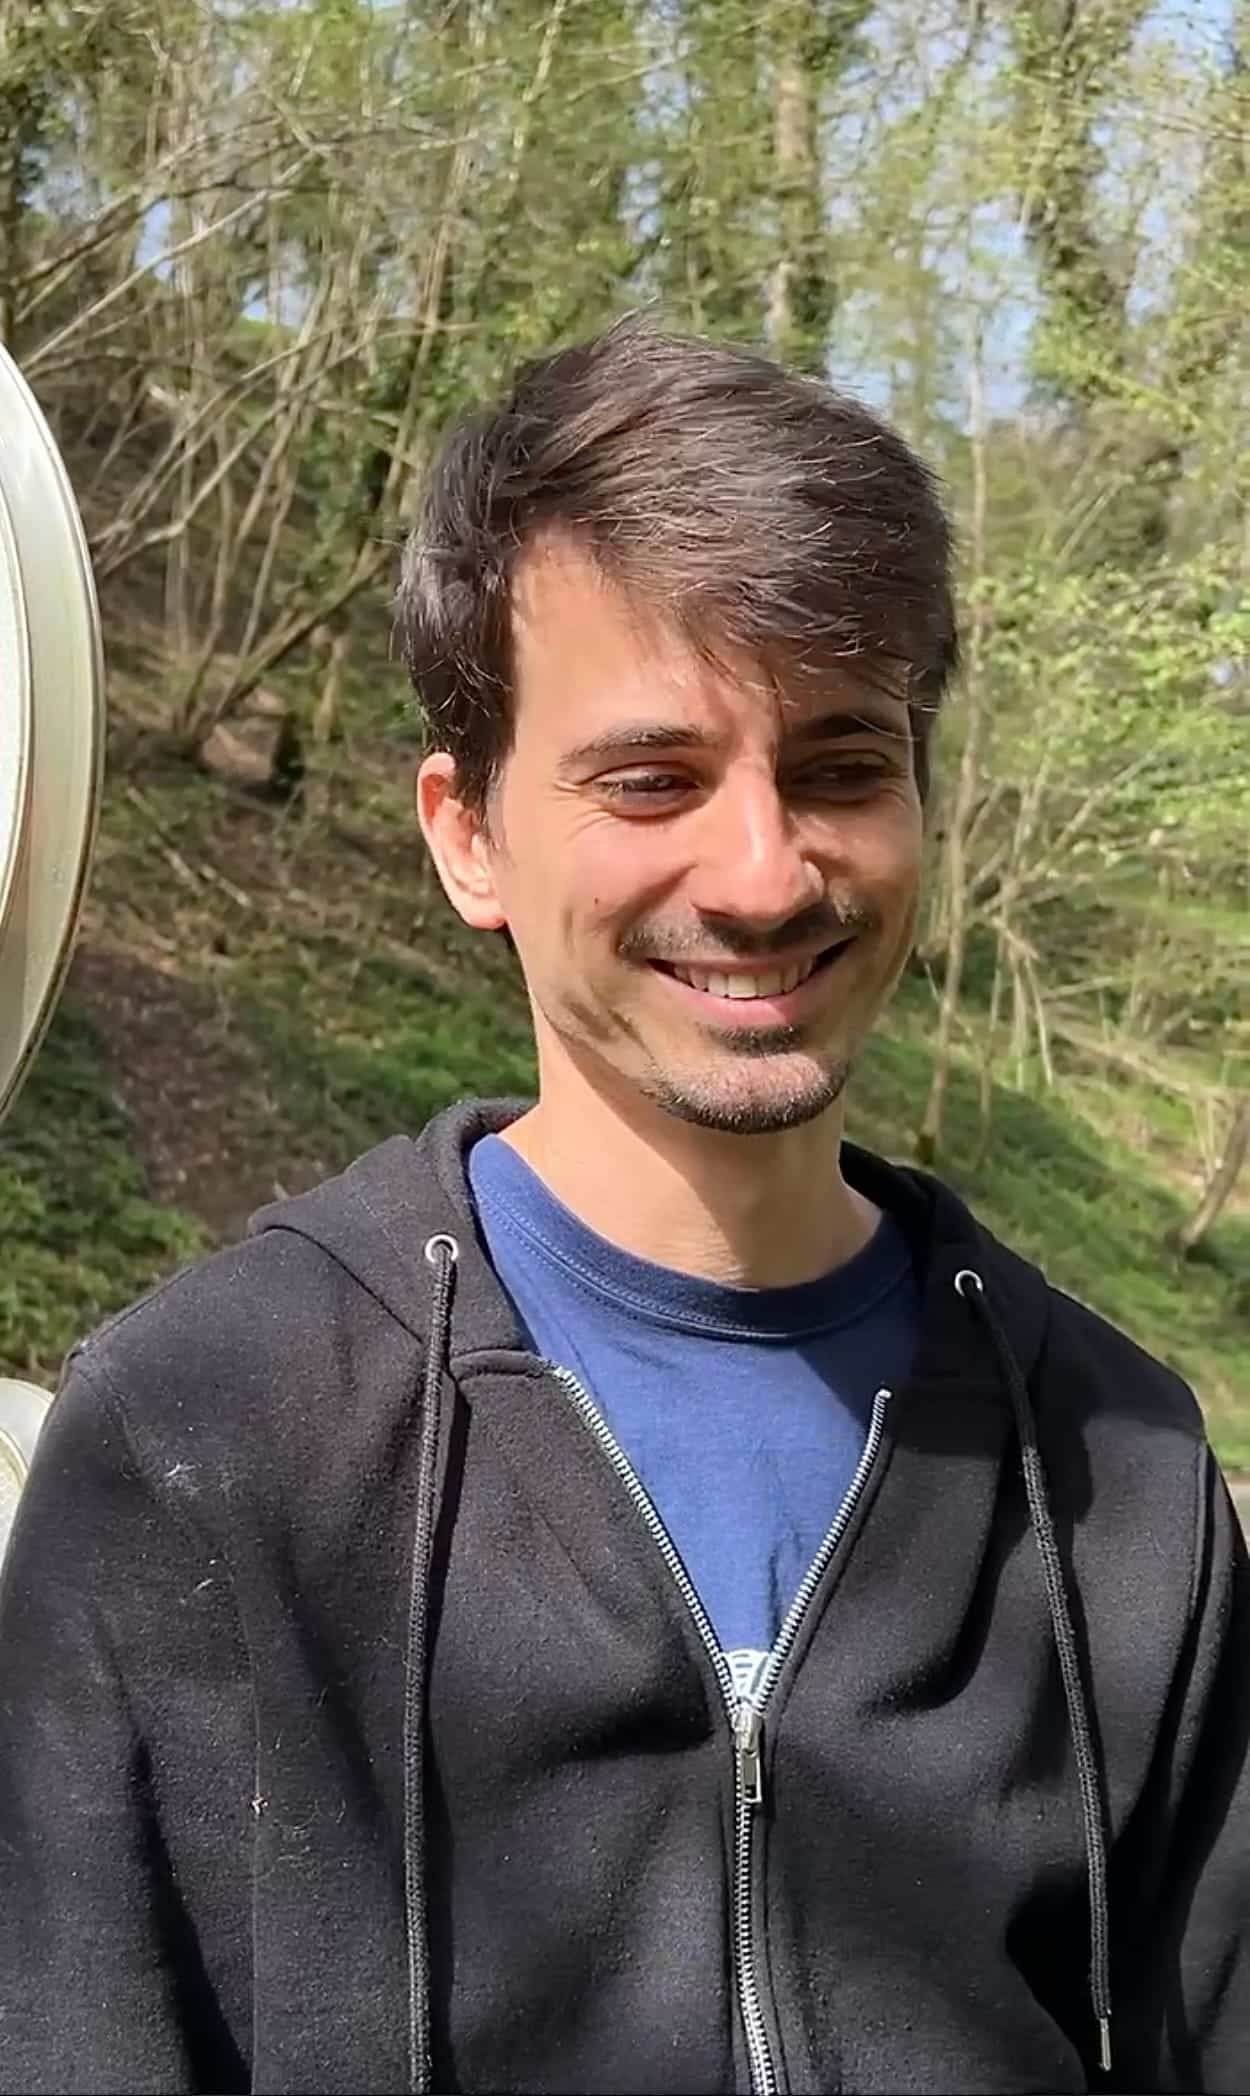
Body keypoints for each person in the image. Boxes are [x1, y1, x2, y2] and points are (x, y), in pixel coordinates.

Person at [0, 315, 1245, 2096]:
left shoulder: (1122, 1480)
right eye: (652, 779)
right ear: (468, 834)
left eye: (839, 766)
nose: (761, 874)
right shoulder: (207, 1438)